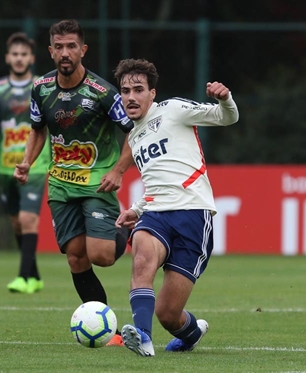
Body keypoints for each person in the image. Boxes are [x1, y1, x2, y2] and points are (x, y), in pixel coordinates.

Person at [13, 20, 133, 346]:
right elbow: (37, 129)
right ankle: (110, 333)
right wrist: (26, 161)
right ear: (50, 51)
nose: (65, 53)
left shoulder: (104, 93)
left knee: (102, 256)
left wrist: (118, 171)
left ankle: (131, 227)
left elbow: (134, 133)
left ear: (83, 50)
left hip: (97, 184)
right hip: (61, 187)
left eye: (71, 46)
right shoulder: (41, 88)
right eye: (59, 47)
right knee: (76, 257)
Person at [112, 58, 239, 357]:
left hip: (193, 214)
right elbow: (157, 183)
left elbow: (226, 118)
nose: (130, 97)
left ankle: (192, 333)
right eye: (125, 91)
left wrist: (225, 99)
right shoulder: (134, 136)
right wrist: (137, 209)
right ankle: (142, 336)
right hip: (155, 215)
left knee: (168, 314)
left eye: (138, 90)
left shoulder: (173, 110)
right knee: (142, 257)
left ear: (152, 94)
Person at [0, 32, 51, 294]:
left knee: (28, 219)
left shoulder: (43, 86)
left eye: (23, 54)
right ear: (7, 57)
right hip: (6, 166)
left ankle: (23, 277)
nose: (19, 58)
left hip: (35, 164)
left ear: (32, 58)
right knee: (16, 222)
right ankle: (35, 276)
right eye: (14, 54)